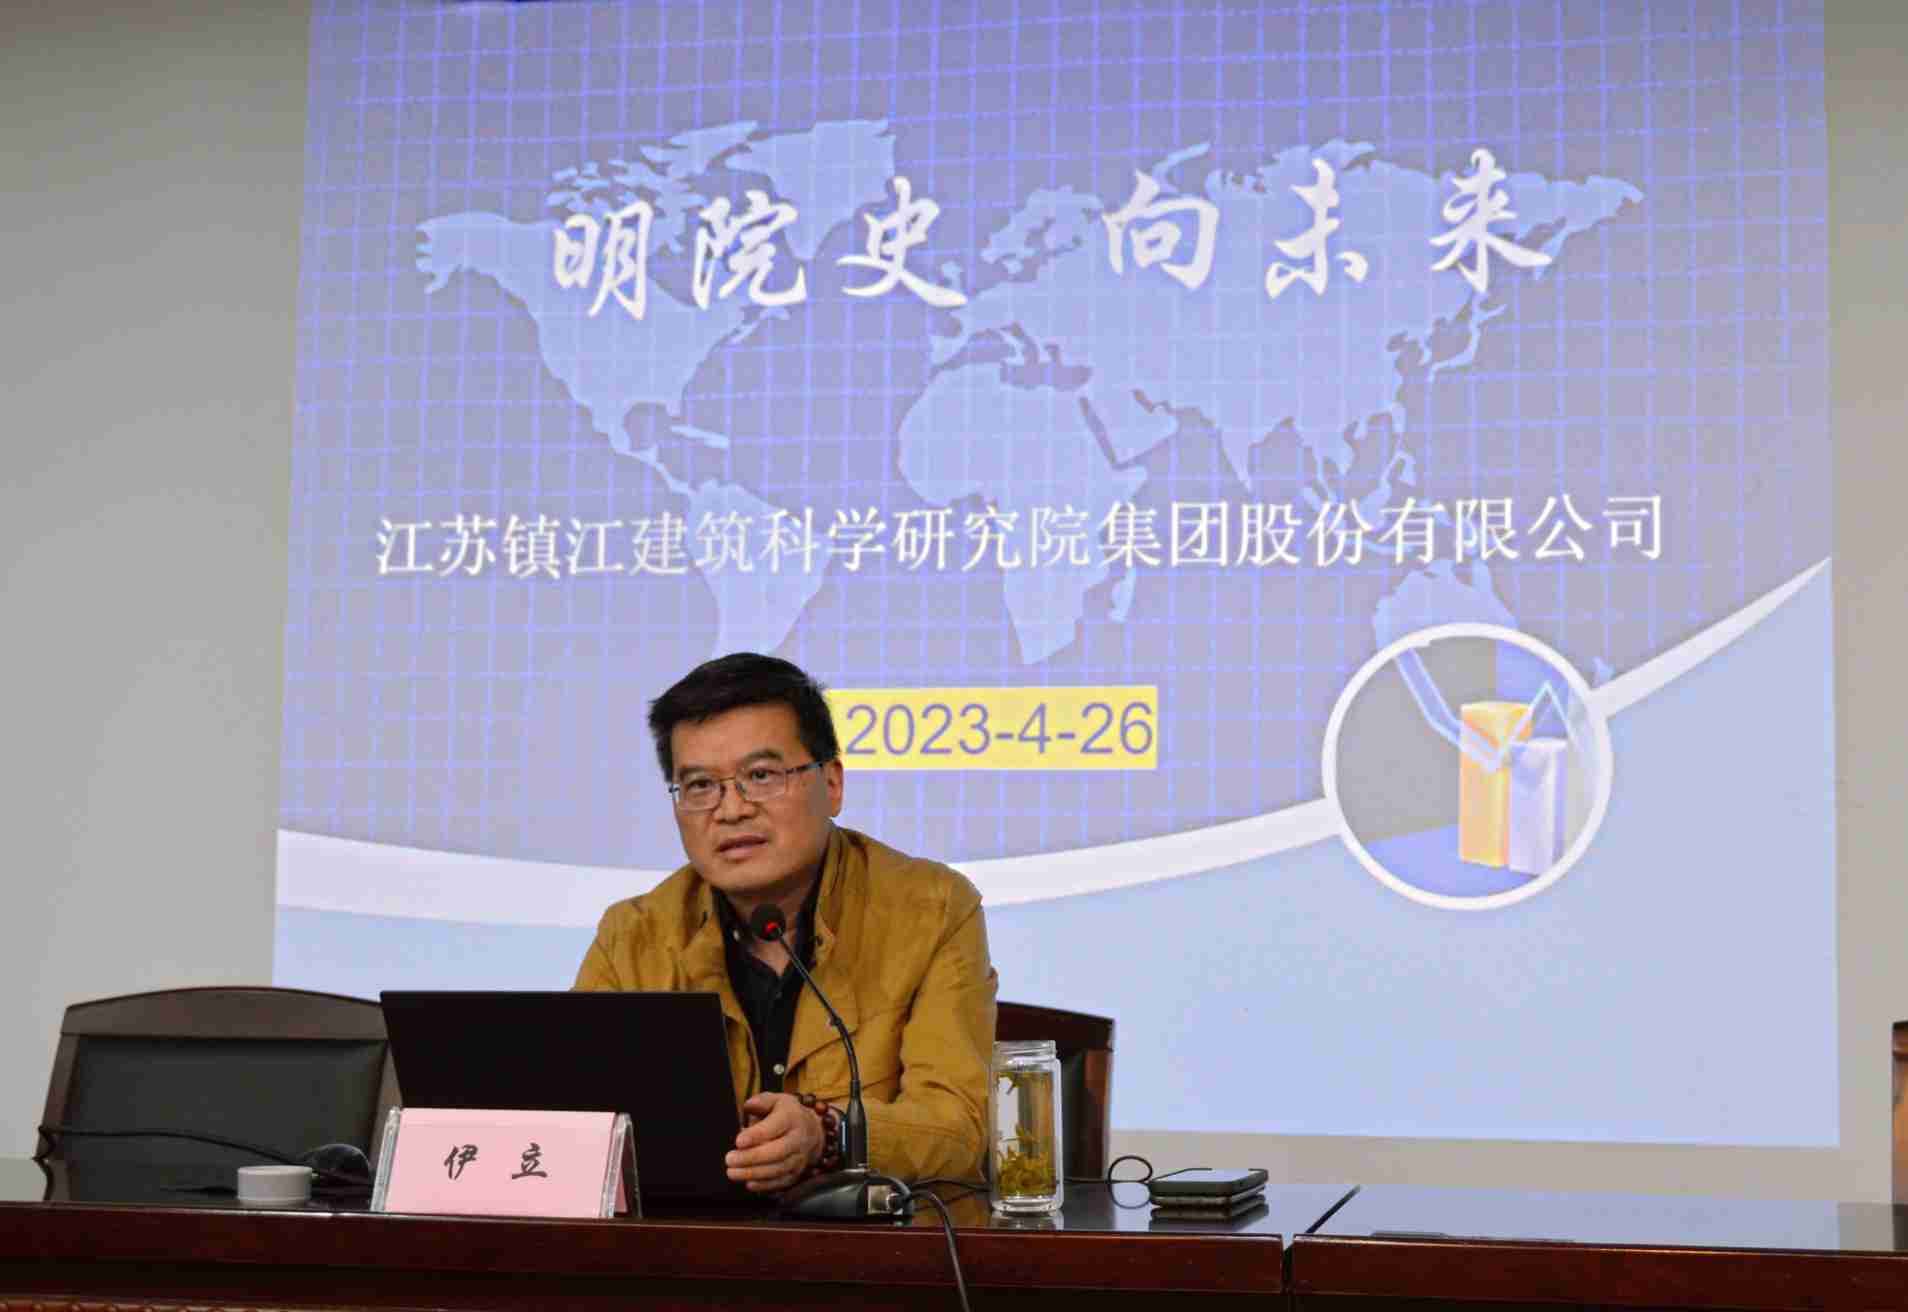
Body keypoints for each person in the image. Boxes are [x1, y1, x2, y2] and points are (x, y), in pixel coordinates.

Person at [574, 652, 997, 1194]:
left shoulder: (932, 910)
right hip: (692, 1237)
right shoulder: (633, 936)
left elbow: (958, 1127)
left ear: (832, 783)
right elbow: (580, 1127)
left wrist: (830, 1133)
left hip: (870, 1242)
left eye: (760, 776)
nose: (731, 810)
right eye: (699, 785)